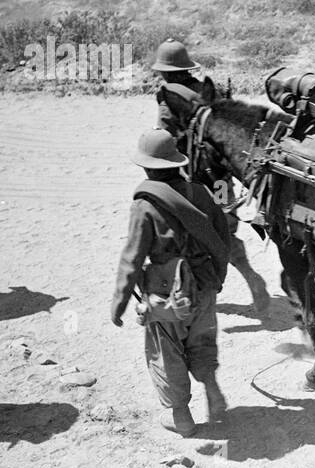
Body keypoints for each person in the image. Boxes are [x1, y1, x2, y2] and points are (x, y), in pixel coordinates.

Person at [111, 130, 231, 436]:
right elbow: (222, 237)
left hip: (168, 294)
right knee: (202, 341)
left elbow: (132, 257)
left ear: (147, 168)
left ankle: (181, 417)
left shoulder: (145, 205)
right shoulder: (200, 193)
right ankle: (213, 391)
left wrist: (120, 302)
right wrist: (217, 278)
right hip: (203, 284)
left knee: (166, 350)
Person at [152, 40, 270, 311]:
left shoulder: (168, 98)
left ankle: (195, 289)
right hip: (218, 177)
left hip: (189, 177)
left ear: (164, 70)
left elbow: (165, 139)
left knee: (182, 230)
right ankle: (250, 277)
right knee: (223, 224)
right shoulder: (205, 90)